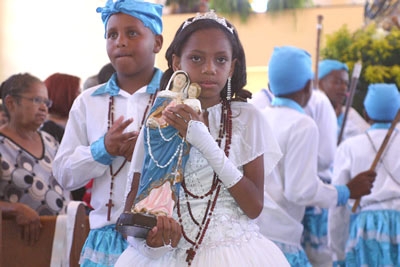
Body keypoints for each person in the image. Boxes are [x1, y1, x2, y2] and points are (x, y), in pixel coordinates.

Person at [117, 10, 290, 266]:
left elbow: (254, 207)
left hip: (236, 251)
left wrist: (205, 141)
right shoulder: (160, 118)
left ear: (232, 67)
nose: (210, 69)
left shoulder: (247, 118)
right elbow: (133, 206)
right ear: (177, 63)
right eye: (196, 58)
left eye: (221, 60)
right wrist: (153, 242)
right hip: (168, 254)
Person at [52, 0, 164, 266]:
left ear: (157, 43)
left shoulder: (174, 99)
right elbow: (64, 174)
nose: (120, 42)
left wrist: (148, 151)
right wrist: (103, 149)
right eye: (112, 34)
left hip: (164, 242)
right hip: (106, 241)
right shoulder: (88, 102)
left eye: (132, 33)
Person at [256, 45, 376, 266]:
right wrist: (344, 191)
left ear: (270, 84)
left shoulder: (260, 117)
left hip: (255, 233)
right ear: (308, 87)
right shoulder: (302, 124)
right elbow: (300, 190)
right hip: (281, 237)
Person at [328, 83, 400, 266]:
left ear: (366, 114)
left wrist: (337, 253)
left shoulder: (349, 147)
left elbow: (338, 204)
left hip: (367, 230)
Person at [0, 73, 70, 244]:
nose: (44, 108)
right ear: (10, 103)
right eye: (36, 100)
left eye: (46, 102)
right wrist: (14, 209)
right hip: (17, 246)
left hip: (60, 242)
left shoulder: (51, 141)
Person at [318, 59, 369, 141]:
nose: (344, 87)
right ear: (319, 83)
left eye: (346, 83)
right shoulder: (310, 114)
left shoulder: (350, 114)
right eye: (337, 82)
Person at [41, 73, 81, 143]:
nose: (81, 96)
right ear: (63, 95)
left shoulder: (77, 121)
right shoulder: (48, 129)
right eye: (78, 92)